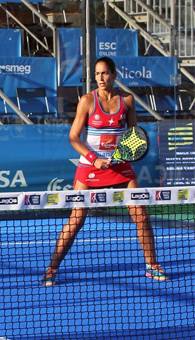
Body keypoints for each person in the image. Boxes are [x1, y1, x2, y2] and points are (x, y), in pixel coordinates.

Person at [40, 57, 168, 286]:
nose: (100, 78)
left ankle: (152, 265)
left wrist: (120, 156)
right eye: (97, 74)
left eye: (105, 73)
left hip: (120, 166)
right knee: (77, 219)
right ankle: (52, 268)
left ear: (114, 75)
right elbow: (73, 137)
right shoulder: (87, 101)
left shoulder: (127, 101)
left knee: (141, 215)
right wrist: (94, 159)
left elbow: (134, 136)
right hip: (90, 166)